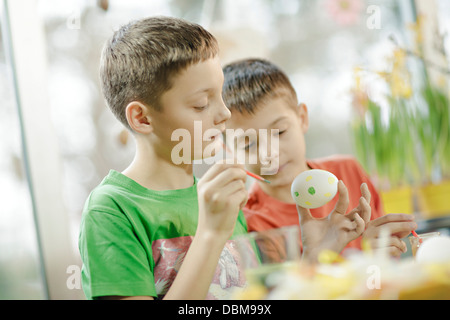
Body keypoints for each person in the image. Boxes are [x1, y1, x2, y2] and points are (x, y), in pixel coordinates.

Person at [78, 16, 249, 300]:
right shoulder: (111, 211)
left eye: (221, 95)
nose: (224, 114)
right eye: (201, 104)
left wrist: (318, 246)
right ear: (142, 118)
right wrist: (210, 234)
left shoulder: (219, 198)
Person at [222, 58, 417, 259]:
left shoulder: (348, 172)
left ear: (302, 119)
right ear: (230, 149)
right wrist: (314, 259)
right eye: (248, 144)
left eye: (279, 132)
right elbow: (280, 290)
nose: (268, 154)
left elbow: (384, 267)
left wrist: (378, 254)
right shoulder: (248, 221)